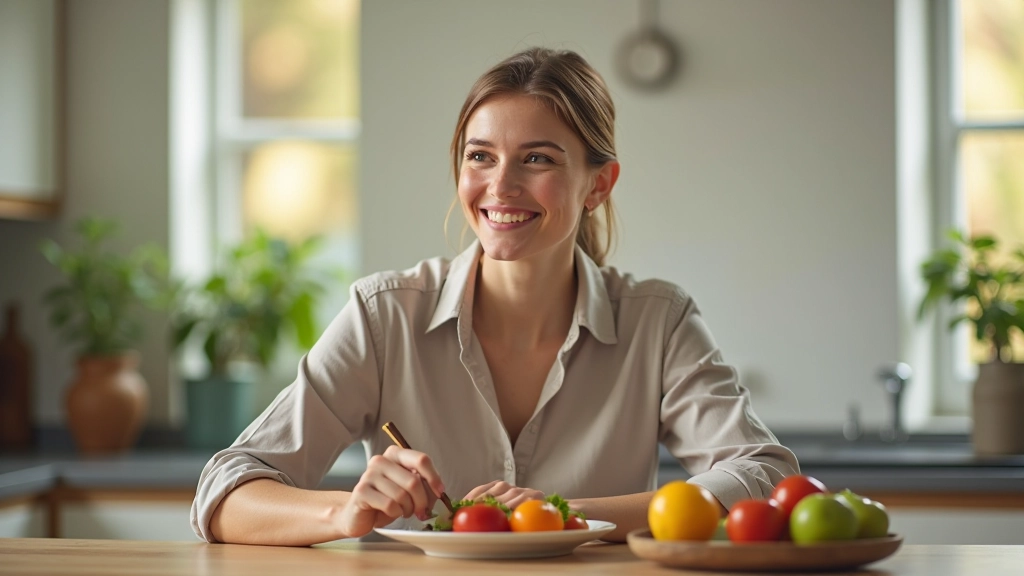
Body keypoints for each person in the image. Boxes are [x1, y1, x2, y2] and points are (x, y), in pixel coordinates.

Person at [190, 47, 798, 546]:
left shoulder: (658, 322)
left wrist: (565, 514)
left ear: (598, 184)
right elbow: (226, 491)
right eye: (480, 157)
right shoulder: (385, 315)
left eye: (537, 159)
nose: (500, 187)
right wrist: (341, 513)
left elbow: (767, 474)